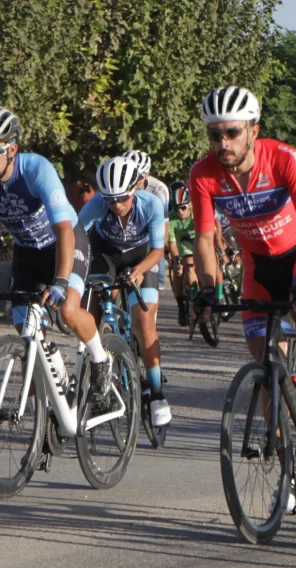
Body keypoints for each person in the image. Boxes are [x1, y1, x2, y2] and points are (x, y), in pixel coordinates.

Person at [190, 88, 296, 471]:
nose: (223, 143)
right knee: (264, 361)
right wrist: (205, 289)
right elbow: (203, 238)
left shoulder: (283, 158)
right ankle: (285, 467)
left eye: (232, 132)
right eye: (214, 135)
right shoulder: (204, 174)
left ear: (253, 129)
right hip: (258, 264)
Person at [0, 106, 112, 397]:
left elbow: (63, 230)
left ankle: (100, 358)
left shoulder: (36, 169)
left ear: (12, 149)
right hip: (28, 254)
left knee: (70, 311)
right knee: (27, 332)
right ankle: (46, 412)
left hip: (66, 243)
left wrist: (61, 281)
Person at [78, 156, 172, 426]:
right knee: (92, 313)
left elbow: (158, 250)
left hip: (143, 257)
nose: (117, 205)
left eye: (123, 198)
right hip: (106, 255)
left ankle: (156, 393)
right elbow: (77, 234)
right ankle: (100, 371)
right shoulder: (96, 204)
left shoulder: (151, 204)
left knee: (144, 323)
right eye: (110, 200)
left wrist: (141, 269)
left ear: (135, 190)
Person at [123, 150, 170, 289]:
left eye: (140, 176)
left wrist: (157, 251)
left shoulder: (159, 190)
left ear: (148, 174)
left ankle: (157, 287)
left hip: (150, 230)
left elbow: (164, 228)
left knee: (155, 252)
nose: (134, 181)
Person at [168, 181, 198, 326]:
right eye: (176, 209)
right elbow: (172, 243)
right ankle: (181, 305)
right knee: (179, 270)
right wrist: (176, 260)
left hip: (197, 241)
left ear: (190, 204)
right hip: (182, 244)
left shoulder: (197, 214)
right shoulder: (172, 218)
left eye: (183, 208)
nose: (180, 212)